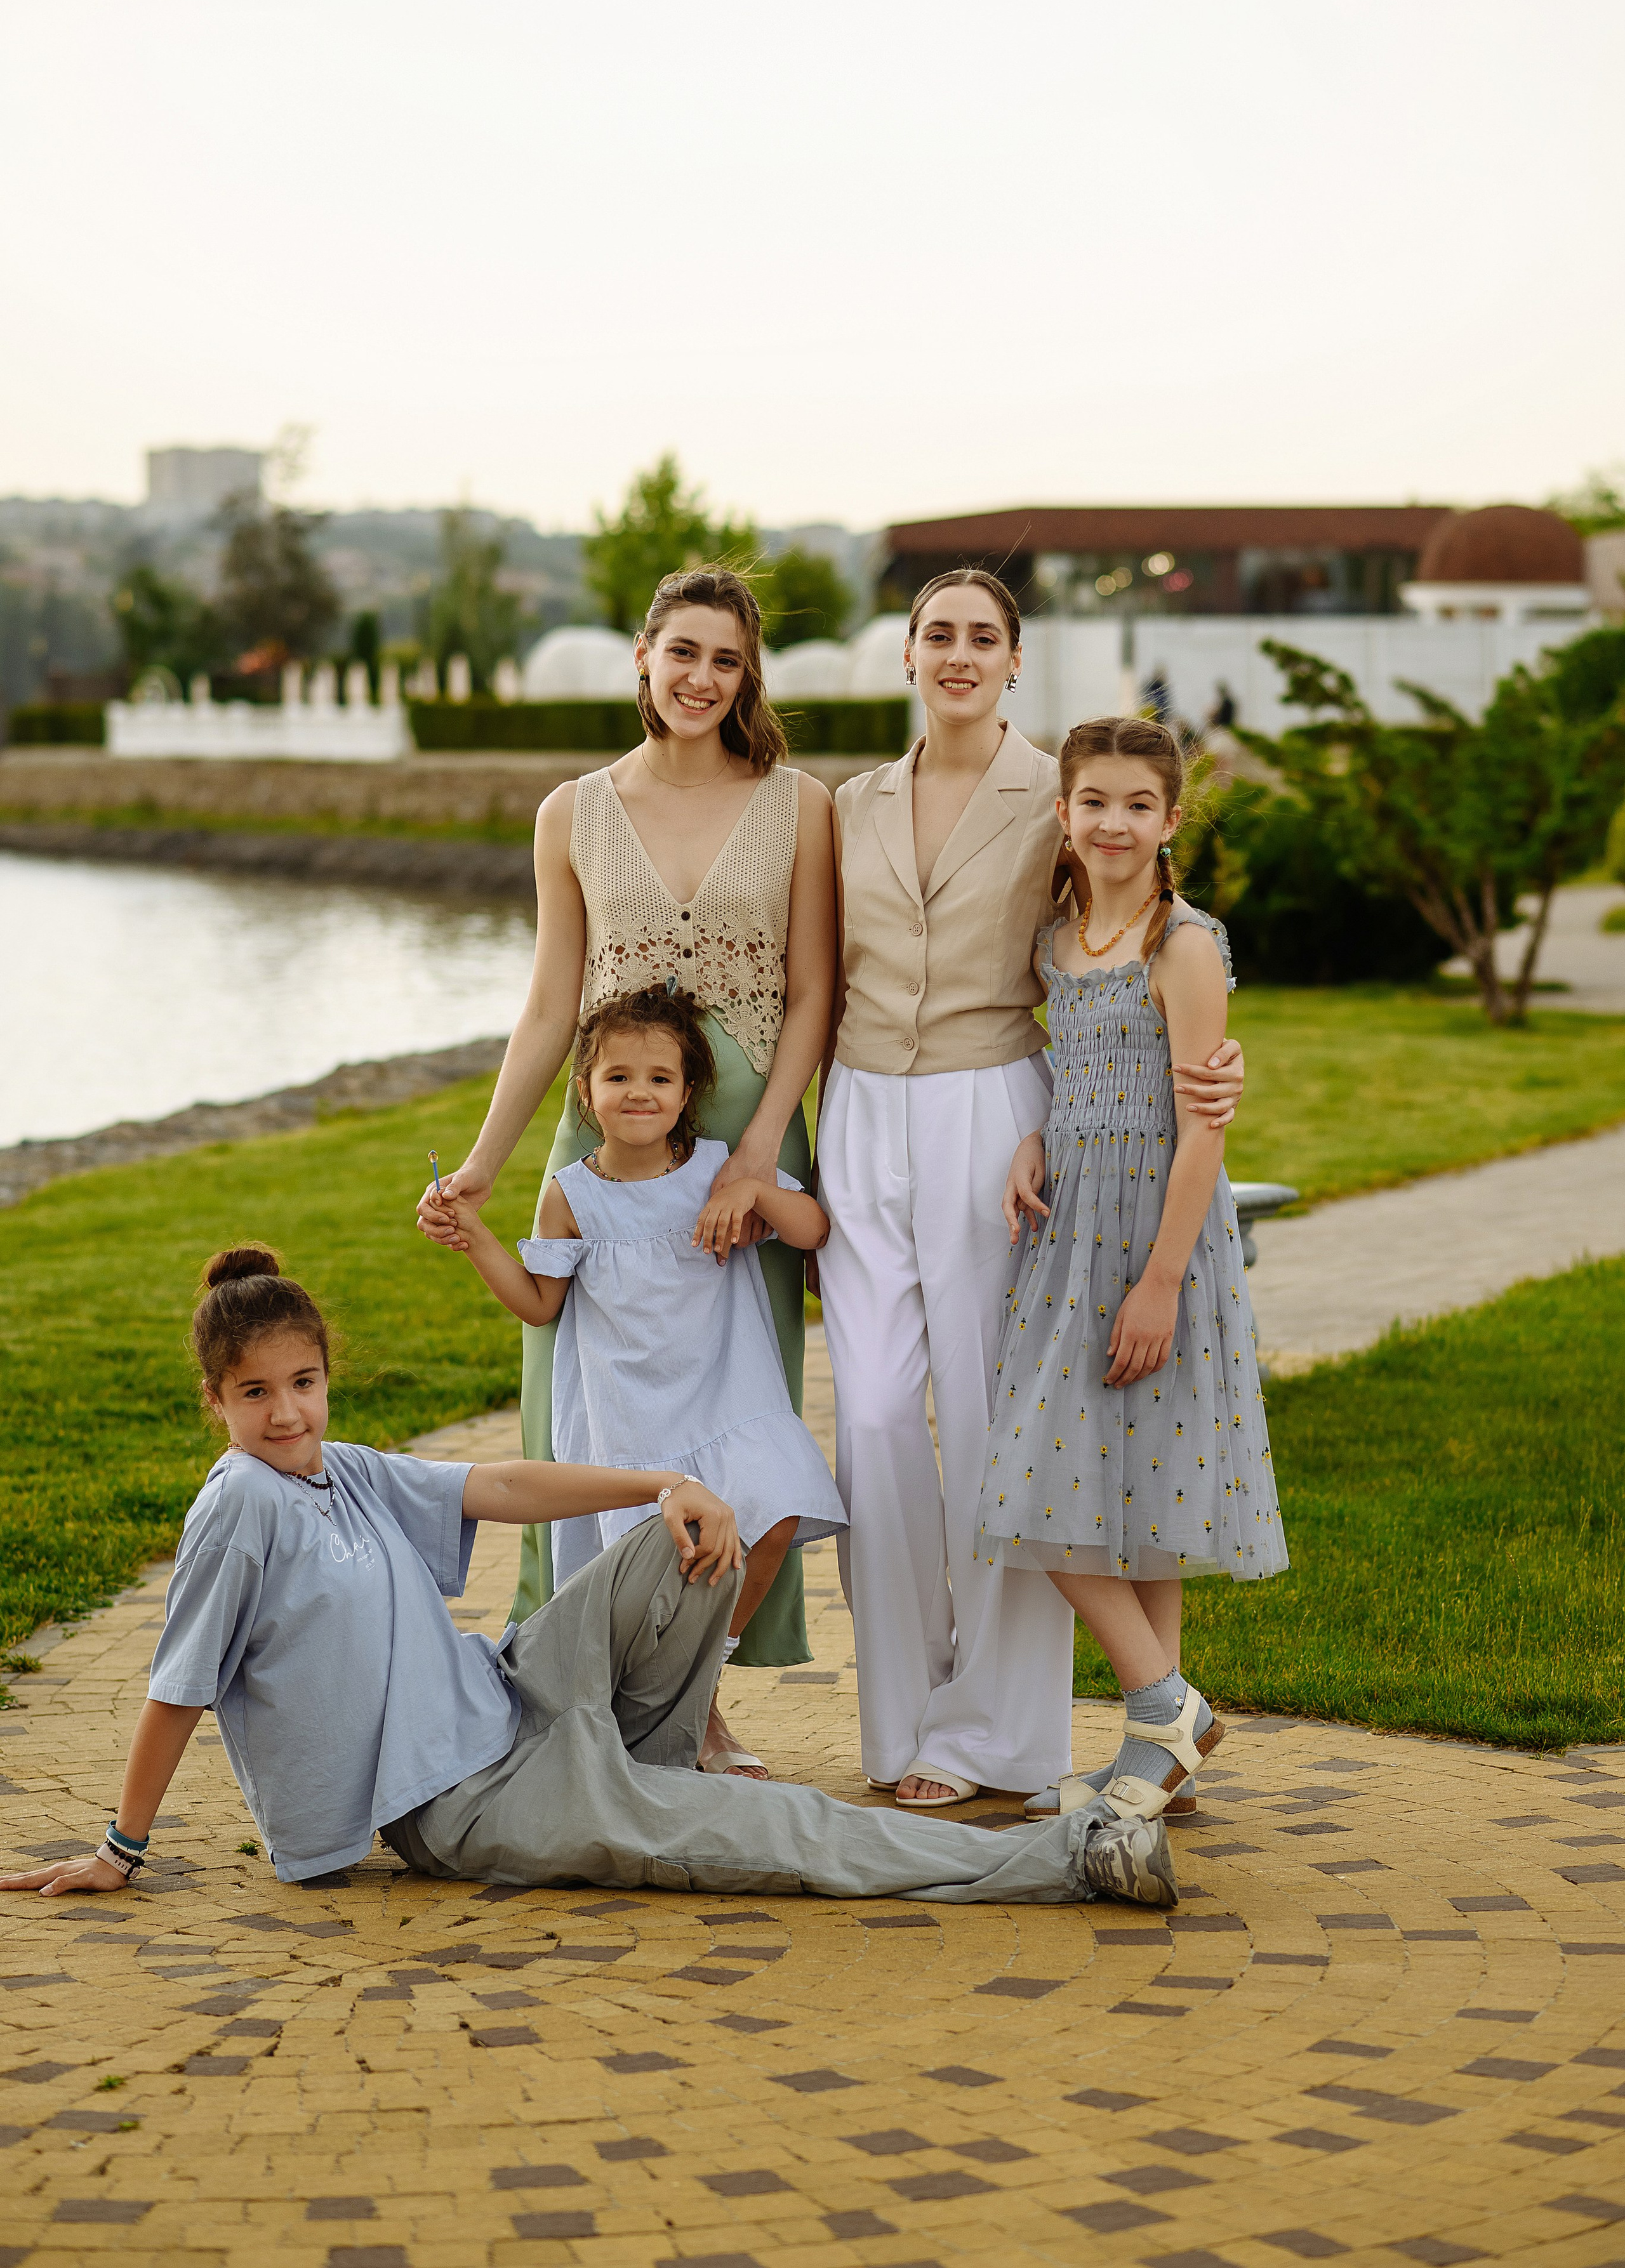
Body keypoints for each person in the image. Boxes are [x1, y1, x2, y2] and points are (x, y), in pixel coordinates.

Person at [1, 1246, 1180, 1912]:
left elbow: (504, 1486)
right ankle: (1070, 1858)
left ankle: (647, 1768)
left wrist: (667, 1480)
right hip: (458, 1802)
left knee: (684, 1538)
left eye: (302, 1382)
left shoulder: (335, 1467)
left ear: (323, 1378)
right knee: (785, 1826)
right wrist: (121, 1846)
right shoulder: (239, 1506)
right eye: (255, 1393)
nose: (286, 1411)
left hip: (512, 1697)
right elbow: (179, 1684)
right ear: (214, 1400)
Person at [816, 570, 1248, 1811]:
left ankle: (990, 1740)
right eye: (936, 634)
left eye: (981, 637)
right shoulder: (849, 804)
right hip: (858, 1111)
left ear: (1014, 659)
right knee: (881, 1427)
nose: (957, 653)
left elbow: (1130, 932)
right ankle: (899, 1725)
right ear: (907, 655)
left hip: (990, 1103)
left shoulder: (1053, 792)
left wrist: (1202, 1071)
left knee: (988, 1419)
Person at [417, 565, 837, 1777]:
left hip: (748, 1131)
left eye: (727, 660)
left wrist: (755, 1160)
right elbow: (553, 999)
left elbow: (813, 994)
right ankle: (567, 1679)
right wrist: (491, 1164)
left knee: (736, 1417)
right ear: (641, 661)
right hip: (601, 1130)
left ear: (748, 676)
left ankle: (699, 1701)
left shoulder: (800, 804)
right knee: (577, 1410)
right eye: (683, 653)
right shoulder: (573, 812)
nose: (703, 678)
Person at [975, 717, 1289, 1823]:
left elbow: (1202, 1129)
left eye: (1137, 805)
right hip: (1069, 1231)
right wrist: (1035, 1141)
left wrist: (1160, 1281)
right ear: (1064, 813)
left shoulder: (1182, 944)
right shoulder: (1059, 935)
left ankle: (1161, 1708)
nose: (1113, 822)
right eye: (1094, 801)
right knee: (1106, 1490)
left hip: (1157, 1238)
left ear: (1169, 819)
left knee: (1070, 1489)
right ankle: (1168, 1739)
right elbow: (1076, 1079)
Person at [434, 982, 846, 1756]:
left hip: (727, 1398)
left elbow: (814, 1227)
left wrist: (758, 1188)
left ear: (688, 1091)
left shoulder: (720, 1174)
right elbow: (537, 1304)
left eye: (659, 1078)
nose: (639, 1093)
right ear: (586, 1092)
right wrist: (475, 1236)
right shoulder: (572, 1194)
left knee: (779, 1504)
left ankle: (701, 1685)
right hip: (631, 1419)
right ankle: (662, 1717)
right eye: (618, 1076)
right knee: (666, 1567)